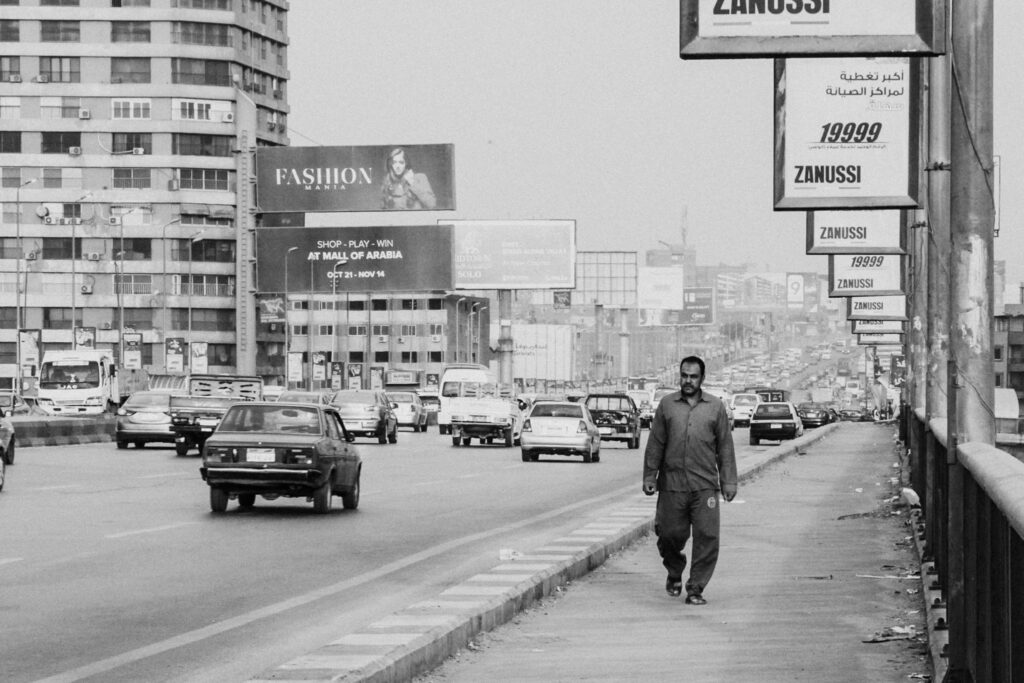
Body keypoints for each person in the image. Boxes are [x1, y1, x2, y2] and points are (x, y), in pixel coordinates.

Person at [642, 355, 737, 605]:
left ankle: (695, 588)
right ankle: (674, 570)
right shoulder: (667, 405)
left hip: (705, 485)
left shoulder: (715, 407)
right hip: (672, 485)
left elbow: (725, 447)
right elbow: (655, 444)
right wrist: (650, 475)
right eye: (684, 376)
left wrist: (729, 482)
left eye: (693, 377)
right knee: (668, 534)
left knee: (707, 537)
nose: (688, 381)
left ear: (702, 378)